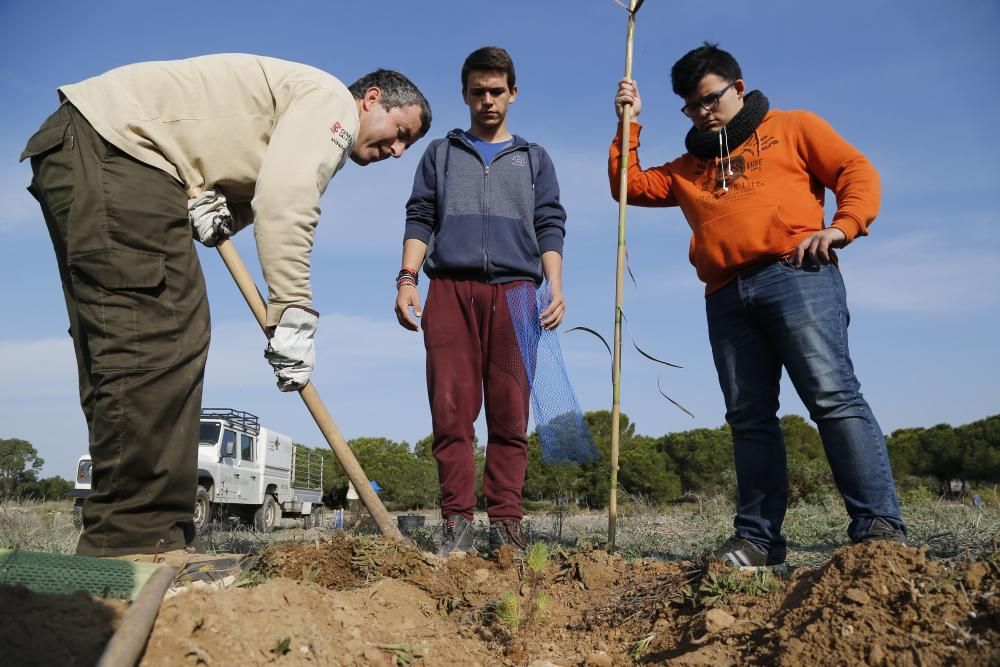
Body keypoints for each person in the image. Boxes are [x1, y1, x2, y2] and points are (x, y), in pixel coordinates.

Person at [20, 54, 431, 561]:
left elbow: (258, 190)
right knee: (159, 334)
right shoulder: (331, 104)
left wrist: (219, 211)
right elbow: (288, 199)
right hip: (119, 153)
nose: (396, 150)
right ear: (371, 100)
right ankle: (131, 545)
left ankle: (133, 534)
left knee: (131, 337)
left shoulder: (298, 113)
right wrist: (293, 312)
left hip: (107, 153)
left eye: (405, 145)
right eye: (398, 132)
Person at [609, 43, 906, 571]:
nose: (702, 111)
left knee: (833, 396)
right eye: (691, 105)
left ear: (737, 89)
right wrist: (628, 123)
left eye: (709, 98)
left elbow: (855, 170)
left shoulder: (794, 127)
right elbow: (627, 186)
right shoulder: (686, 167)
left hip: (797, 276)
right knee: (749, 418)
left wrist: (842, 227)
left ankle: (878, 529)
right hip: (725, 295)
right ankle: (758, 541)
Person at [395, 46, 567, 556]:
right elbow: (419, 216)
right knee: (450, 411)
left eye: (497, 91)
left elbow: (550, 224)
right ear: (465, 95)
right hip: (449, 290)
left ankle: (507, 524)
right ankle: (456, 523)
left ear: (512, 94)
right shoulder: (441, 155)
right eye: (478, 92)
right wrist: (407, 278)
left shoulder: (535, 160)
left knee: (511, 414)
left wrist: (554, 286)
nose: (488, 100)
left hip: (518, 292)